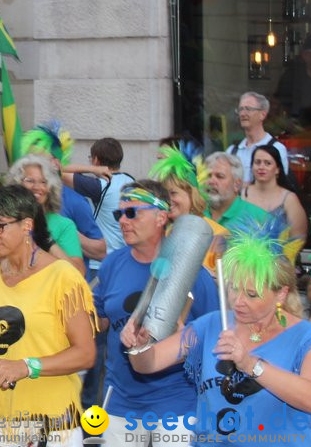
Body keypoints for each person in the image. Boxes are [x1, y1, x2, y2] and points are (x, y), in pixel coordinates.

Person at [124, 217, 311, 440]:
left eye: (252, 294)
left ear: (281, 293)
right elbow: (149, 363)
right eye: (233, 288)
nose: (238, 300)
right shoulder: (211, 324)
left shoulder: (304, 337)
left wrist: (250, 364)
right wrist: (139, 345)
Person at [0, 185, 97, 447]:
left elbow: (86, 353)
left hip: (50, 425)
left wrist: (26, 366)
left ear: (27, 225)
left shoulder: (63, 277)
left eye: (0, 226)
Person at [92, 181, 219, 445]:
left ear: (161, 216)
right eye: (119, 214)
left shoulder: (193, 271)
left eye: (132, 212)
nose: (123, 221)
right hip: (120, 403)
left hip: (177, 402)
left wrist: (182, 335)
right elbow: (99, 322)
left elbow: (216, 335)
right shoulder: (112, 264)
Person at [21, 123, 107, 264]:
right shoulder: (16, 201)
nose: (33, 165)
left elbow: (101, 251)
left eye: (39, 159)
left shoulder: (75, 202)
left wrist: (67, 232)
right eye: (29, 159)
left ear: (55, 163)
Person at [6, 154, 86, 274]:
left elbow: (78, 274)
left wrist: (47, 241)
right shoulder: (3, 222)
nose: (37, 187)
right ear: (16, 185)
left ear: (50, 188)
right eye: (30, 181)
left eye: (44, 182)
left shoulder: (64, 225)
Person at [62, 137, 133, 272]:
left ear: (95, 160)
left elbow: (56, 171)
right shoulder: (130, 181)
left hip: (103, 263)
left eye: (91, 158)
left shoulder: (100, 186)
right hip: (125, 259)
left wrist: (92, 169)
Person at [242, 144, 308, 248]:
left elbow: (297, 240)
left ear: (277, 169)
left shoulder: (289, 199)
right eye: (257, 162)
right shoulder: (241, 194)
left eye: (267, 163)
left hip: (279, 261)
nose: (261, 167)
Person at [227, 91, 289, 184]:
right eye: (240, 109)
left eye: (248, 109)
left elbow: (280, 187)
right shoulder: (232, 151)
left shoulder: (277, 149)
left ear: (262, 114)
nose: (243, 114)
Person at [204, 152, 271, 228]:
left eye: (220, 176)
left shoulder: (259, 218)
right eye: (208, 176)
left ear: (237, 184)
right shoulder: (195, 212)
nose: (211, 181)